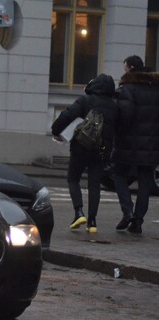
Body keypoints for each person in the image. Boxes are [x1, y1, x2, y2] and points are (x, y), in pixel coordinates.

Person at [51, 74, 118, 233]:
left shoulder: (86, 100)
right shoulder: (115, 106)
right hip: (103, 149)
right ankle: (92, 222)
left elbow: (67, 115)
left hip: (82, 146)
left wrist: (56, 131)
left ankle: (79, 212)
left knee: (73, 179)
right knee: (94, 184)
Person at [111, 55, 159, 233]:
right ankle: (137, 222)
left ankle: (127, 210)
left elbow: (125, 115)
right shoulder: (156, 88)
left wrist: (117, 133)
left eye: (124, 68)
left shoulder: (128, 88)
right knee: (145, 182)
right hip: (152, 143)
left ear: (130, 68)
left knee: (118, 174)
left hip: (128, 142)